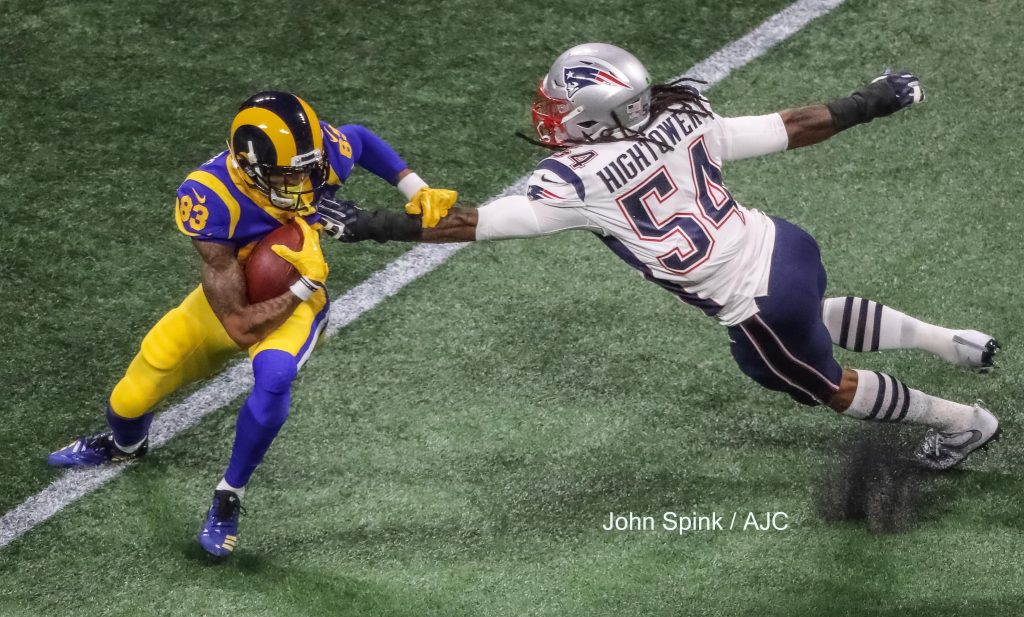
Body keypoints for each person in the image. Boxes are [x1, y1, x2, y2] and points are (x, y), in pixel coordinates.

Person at [319, 43, 1000, 471]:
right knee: (813, 318)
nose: (551, 111)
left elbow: (474, 224)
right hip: (786, 245)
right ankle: (948, 340)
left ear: (593, 112)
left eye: (561, 103)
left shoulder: (579, 178)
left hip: (754, 303)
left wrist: (370, 225)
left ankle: (964, 423)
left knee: (824, 385)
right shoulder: (685, 112)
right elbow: (795, 127)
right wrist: (875, 98)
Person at [47, 91, 457, 558]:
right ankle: (125, 445)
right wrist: (303, 283)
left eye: (310, 168)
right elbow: (240, 325)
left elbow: (359, 139)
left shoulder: (317, 154)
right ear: (249, 168)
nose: (305, 183)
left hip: (298, 305)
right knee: (131, 395)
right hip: (236, 300)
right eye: (289, 174)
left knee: (275, 374)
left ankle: (229, 494)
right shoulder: (209, 196)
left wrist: (414, 186)